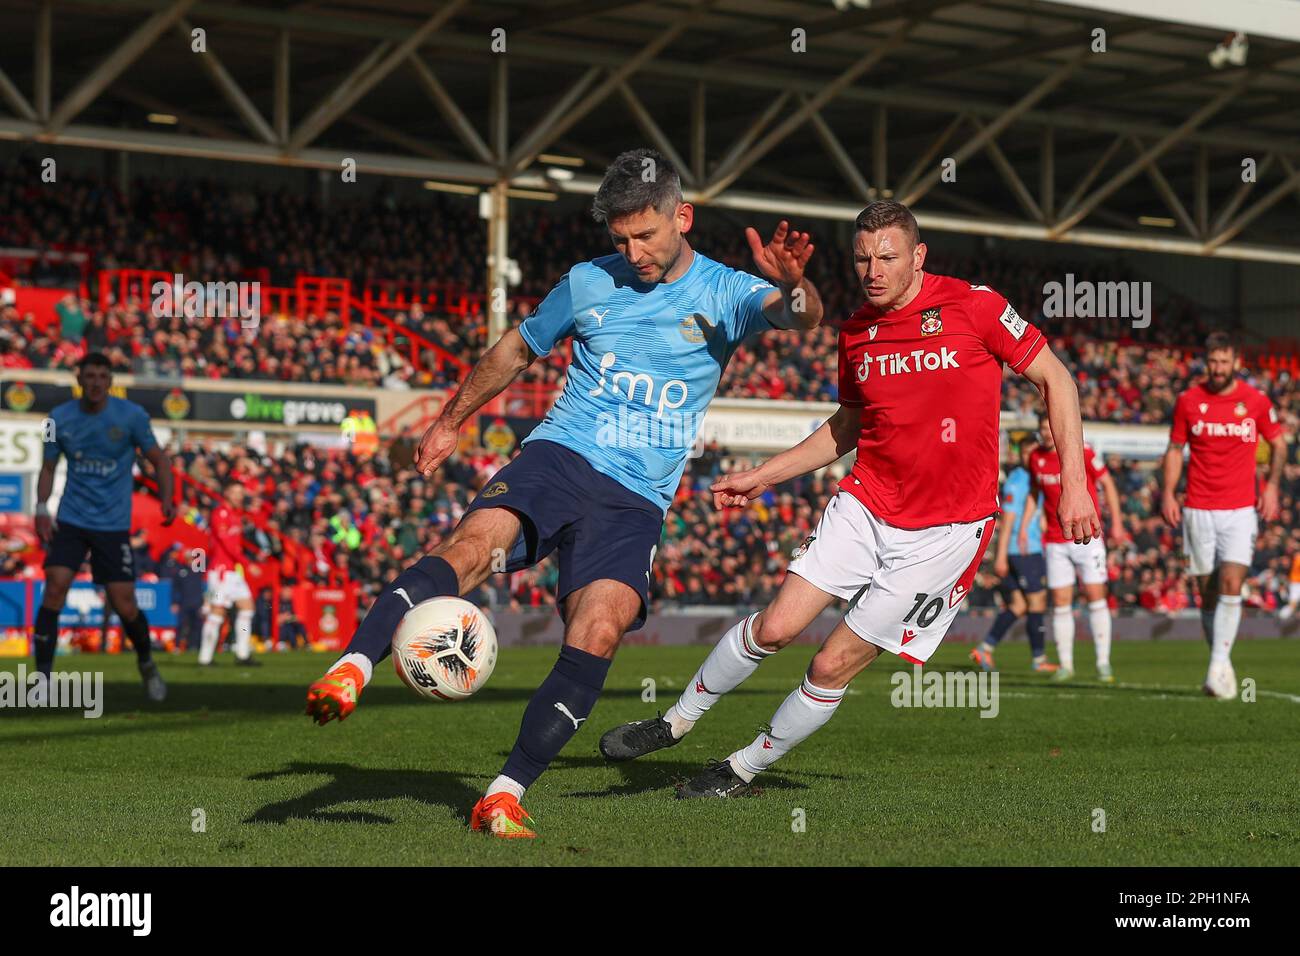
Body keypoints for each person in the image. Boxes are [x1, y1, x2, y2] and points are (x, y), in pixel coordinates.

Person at [303, 147, 825, 837]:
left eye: (646, 234)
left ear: (683, 218)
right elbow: (515, 351)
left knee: (600, 629)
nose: (634, 251)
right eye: (621, 239)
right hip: (560, 457)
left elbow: (800, 316)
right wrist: (448, 423)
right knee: (472, 545)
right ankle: (351, 668)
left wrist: (793, 286)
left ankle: (503, 793)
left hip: (636, 499)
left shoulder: (726, 293)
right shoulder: (585, 283)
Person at [599, 200, 1096, 798]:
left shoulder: (974, 305)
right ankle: (674, 723)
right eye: (862, 258)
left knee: (830, 665)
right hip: (865, 502)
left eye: (886, 256)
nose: (873, 270)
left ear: (918, 256)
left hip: (945, 532)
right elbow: (848, 427)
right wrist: (765, 475)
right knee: (776, 627)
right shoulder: (858, 331)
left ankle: (740, 768)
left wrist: (1075, 483)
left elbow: (1057, 378)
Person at [34, 352, 174, 701]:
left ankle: (146, 664)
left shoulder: (132, 417)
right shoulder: (59, 418)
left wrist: (169, 498)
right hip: (71, 519)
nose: (95, 382)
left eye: (102, 376)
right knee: (55, 586)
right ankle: (42, 680)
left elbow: (159, 460)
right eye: (89, 375)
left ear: (110, 381)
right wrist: (40, 508)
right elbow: (49, 467)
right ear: (79, 379)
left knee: (124, 603)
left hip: (112, 525)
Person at [1162, 332, 1286, 697]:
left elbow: (1279, 444)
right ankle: (1223, 665)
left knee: (1232, 583)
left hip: (1240, 509)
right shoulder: (1188, 401)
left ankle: (1215, 669)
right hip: (1198, 507)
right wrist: (1169, 492)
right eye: (1212, 362)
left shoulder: (1256, 401)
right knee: (1208, 593)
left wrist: (1274, 485)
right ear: (1206, 362)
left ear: (1235, 362)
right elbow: (1174, 448)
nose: (1217, 369)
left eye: (1223, 362)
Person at [1027, 414, 1125, 683]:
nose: (1047, 433)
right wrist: (1028, 525)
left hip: (1088, 534)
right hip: (1056, 541)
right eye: (1043, 428)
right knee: (1060, 602)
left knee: (1095, 595)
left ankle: (1103, 663)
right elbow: (1035, 494)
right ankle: (1066, 665)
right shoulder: (1035, 458)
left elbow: (1107, 484)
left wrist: (1116, 523)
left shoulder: (1081, 451)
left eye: (1050, 427)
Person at [970, 445, 1056, 673]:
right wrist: (1001, 556)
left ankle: (984, 648)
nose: (1031, 457)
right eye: (1027, 453)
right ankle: (1039, 659)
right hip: (1023, 551)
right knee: (1037, 602)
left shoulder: (1033, 478)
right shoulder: (1019, 480)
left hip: (1026, 549)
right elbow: (1007, 519)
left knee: (1018, 605)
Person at [198, 482, 259, 666]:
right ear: (226, 493)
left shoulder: (235, 515)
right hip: (221, 572)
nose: (238, 496)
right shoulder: (220, 514)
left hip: (232, 572)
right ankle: (205, 658)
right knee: (217, 612)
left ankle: (242, 654)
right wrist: (247, 564)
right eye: (234, 492)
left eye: (241, 492)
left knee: (247, 607)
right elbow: (227, 545)